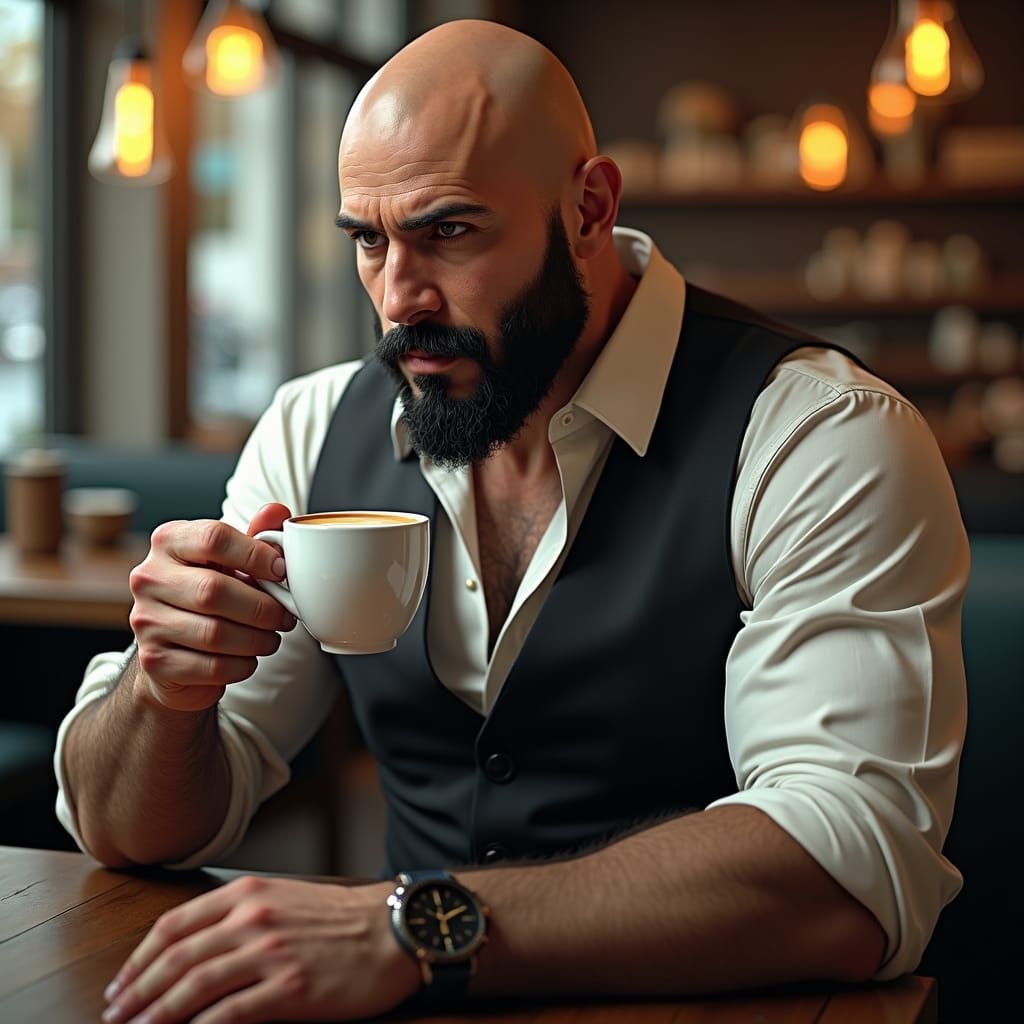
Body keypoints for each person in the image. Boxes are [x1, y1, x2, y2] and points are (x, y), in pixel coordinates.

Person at [55, 18, 968, 1024]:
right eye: (369, 239)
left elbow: (849, 866)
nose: (398, 298)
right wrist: (163, 691)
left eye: (448, 231)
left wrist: (417, 926)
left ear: (588, 206)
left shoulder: (822, 435)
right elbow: (125, 828)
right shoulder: (313, 428)